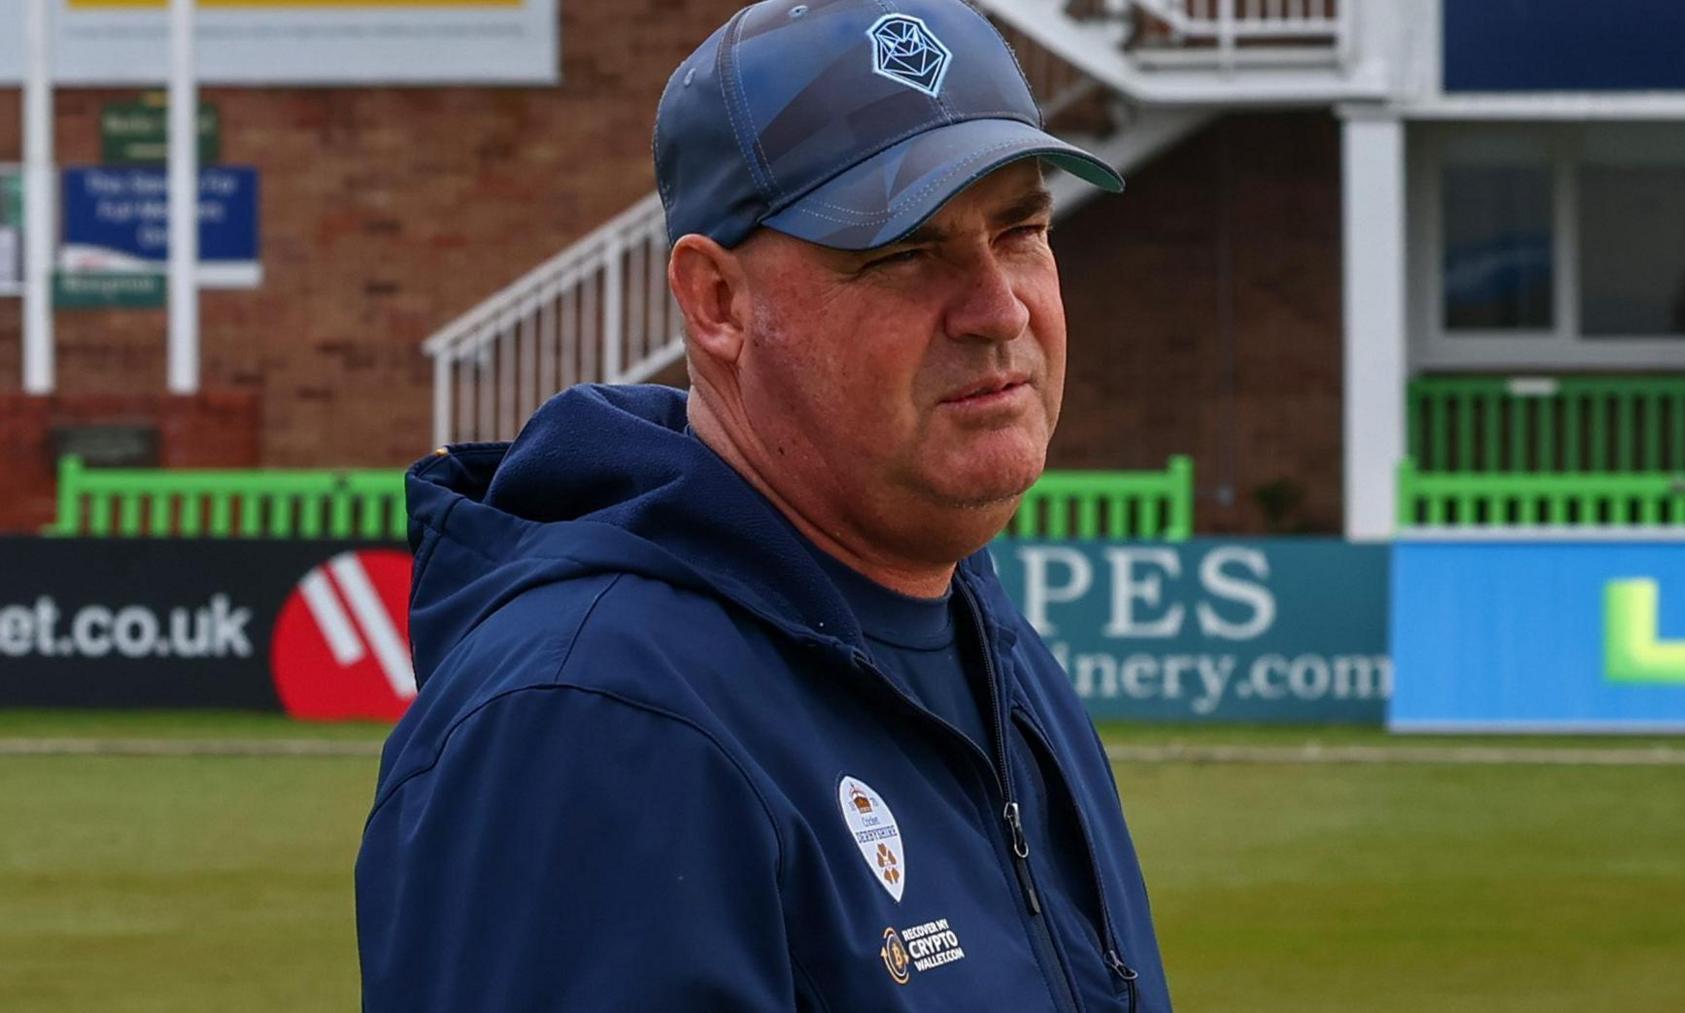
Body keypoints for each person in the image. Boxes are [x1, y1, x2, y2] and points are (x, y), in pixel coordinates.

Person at [356, 0, 1172, 1009]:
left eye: (1020, 230)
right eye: (904, 251)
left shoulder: (970, 626)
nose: (999, 307)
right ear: (717, 303)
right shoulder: (597, 720)